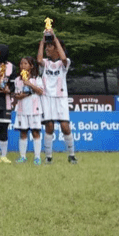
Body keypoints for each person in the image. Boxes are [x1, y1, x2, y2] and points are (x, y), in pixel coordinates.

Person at [38, 30, 76, 164]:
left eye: (50, 46)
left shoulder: (64, 63)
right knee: (49, 126)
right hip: (47, 97)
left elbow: (64, 58)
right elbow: (38, 59)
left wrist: (55, 39)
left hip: (61, 97)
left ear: (58, 49)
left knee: (65, 126)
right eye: (47, 47)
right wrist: (43, 42)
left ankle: (71, 156)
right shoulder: (45, 63)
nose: (47, 49)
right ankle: (48, 157)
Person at [12, 56, 44, 165]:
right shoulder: (17, 80)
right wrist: (20, 95)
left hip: (34, 109)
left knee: (35, 132)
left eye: (25, 63)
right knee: (23, 132)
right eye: (21, 64)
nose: (22, 66)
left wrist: (29, 84)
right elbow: (16, 94)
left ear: (31, 66)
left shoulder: (37, 79)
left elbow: (40, 91)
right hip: (22, 110)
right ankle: (22, 157)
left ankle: (37, 157)